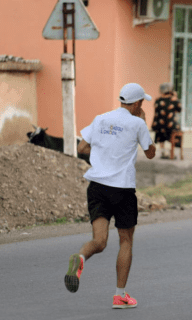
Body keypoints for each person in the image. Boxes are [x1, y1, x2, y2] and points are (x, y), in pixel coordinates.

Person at [64, 83, 156, 309]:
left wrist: (105, 150)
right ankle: (119, 296)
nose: (141, 107)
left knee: (99, 240)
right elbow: (151, 153)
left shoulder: (101, 118)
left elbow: (83, 147)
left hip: (97, 186)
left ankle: (81, 258)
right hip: (122, 189)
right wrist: (143, 123)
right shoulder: (137, 123)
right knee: (125, 240)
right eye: (141, 103)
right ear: (136, 104)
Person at [152, 83, 182, 159]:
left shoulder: (157, 100)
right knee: (175, 129)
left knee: (160, 133)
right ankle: (172, 151)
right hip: (170, 125)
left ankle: (163, 151)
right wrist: (176, 97)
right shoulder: (173, 100)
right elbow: (179, 109)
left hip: (159, 125)